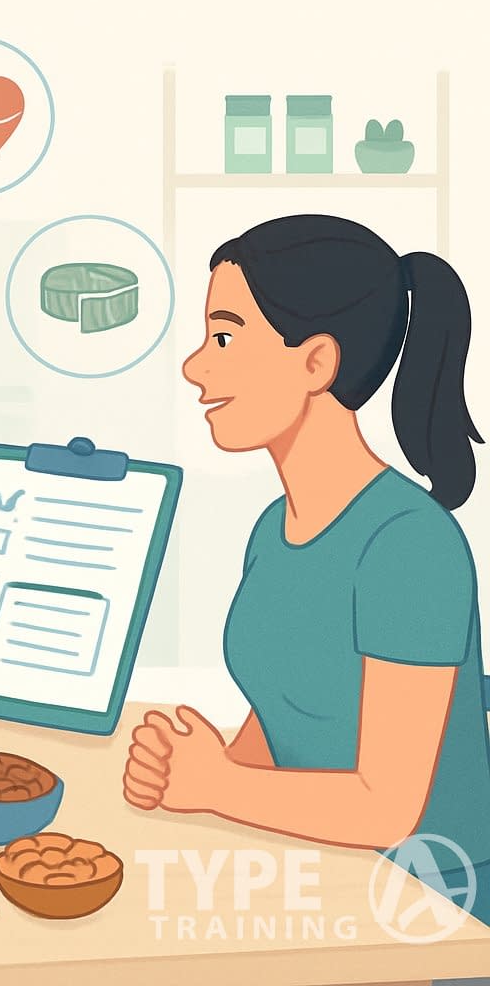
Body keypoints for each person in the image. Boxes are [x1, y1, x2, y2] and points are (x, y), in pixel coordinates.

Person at [122, 214, 490, 924]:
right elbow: (287, 711)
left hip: (428, 904)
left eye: (224, 338)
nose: (195, 366)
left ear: (316, 362)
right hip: (318, 867)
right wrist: (196, 768)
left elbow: (386, 808)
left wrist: (218, 786)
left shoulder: (410, 547)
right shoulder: (273, 528)